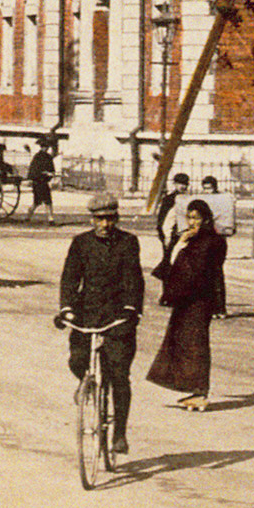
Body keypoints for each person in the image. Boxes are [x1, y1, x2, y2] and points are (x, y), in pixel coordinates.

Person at [57, 191, 145, 456]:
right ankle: (86, 382)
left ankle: (119, 433)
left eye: (109, 219)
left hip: (118, 314)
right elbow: (70, 278)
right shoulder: (80, 243)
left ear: (116, 218)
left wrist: (132, 309)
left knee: (119, 375)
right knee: (77, 360)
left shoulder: (128, 242)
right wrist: (67, 308)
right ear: (92, 219)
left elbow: (134, 279)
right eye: (99, 219)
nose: (105, 225)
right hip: (88, 312)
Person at [147, 198, 228, 412]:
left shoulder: (212, 241)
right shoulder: (192, 239)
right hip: (187, 298)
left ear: (206, 219)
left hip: (200, 299)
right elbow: (172, 265)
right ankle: (193, 389)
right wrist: (181, 243)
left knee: (196, 343)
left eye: (197, 218)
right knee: (181, 340)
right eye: (189, 217)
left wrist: (182, 246)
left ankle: (200, 391)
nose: (192, 222)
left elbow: (195, 269)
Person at [154, 172, 191, 258]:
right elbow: (162, 219)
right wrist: (164, 237)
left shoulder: (189, 199)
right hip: (171, 235)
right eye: (180, 183)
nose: (183, 186)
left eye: (185, 184)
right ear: (175, 184)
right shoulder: (169, 199)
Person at [25, 141, 57, 223]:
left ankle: (50, 219)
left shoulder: (48, 157)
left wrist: (50, 174)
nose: (46, 148)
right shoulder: (37, 157)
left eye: (47, 147)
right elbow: (33, 170)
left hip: (44, 182)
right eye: (44, 146)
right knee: (37, 201)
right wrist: (43, 173)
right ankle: (28, 216)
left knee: (48, 200)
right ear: (41, 147)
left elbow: (52, 169)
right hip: (38, 181)